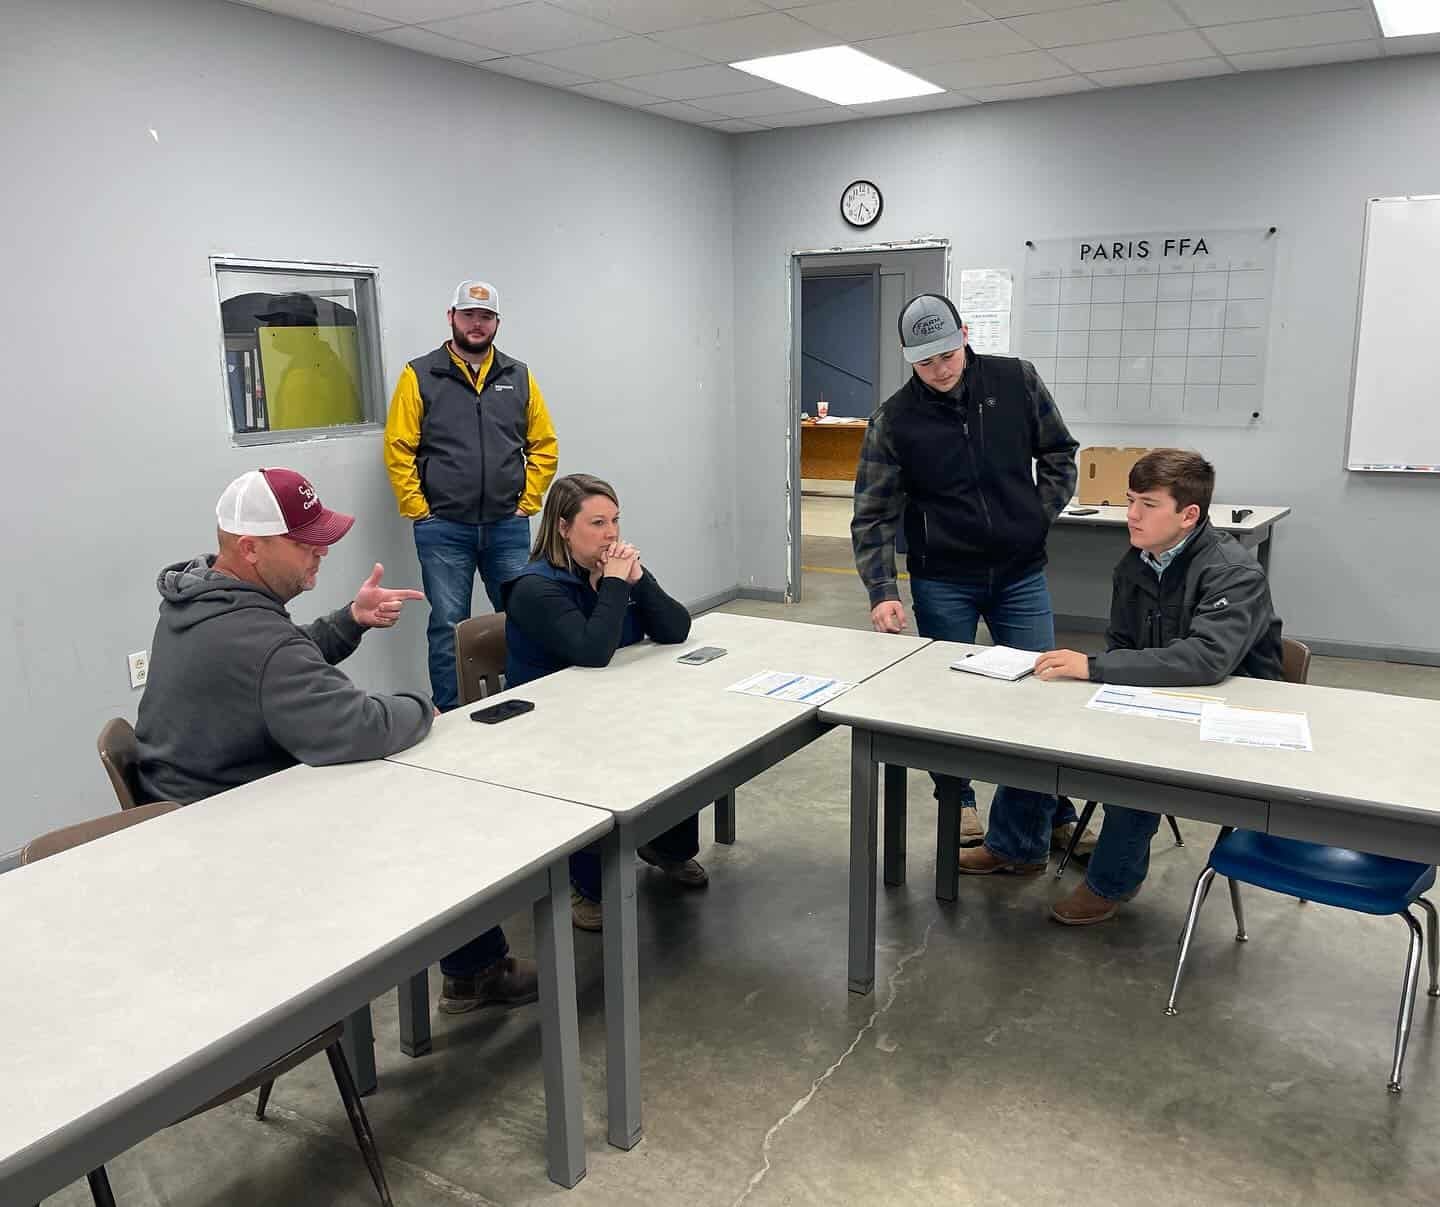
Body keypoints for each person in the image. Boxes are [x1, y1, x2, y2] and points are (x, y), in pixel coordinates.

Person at [134, 467, 537, 1012]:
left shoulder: (200, 603)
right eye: (305, 543)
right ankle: (477, 969)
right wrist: (426, 705)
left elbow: (280, 656)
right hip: (234, 848)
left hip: (195, 812)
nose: (320, 551)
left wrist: (350, 620)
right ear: (251, 548)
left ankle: (472, 968)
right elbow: (360, 725)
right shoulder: (253, 640)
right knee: (436, 814)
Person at [852, 293, 1084, 863]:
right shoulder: (893, 421)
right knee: (949, 701)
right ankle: (960, 801)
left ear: (965, 333)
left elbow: (1060, 452)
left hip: (1020, 574)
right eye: (926, 361)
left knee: (1039, 693)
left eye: (949, 353)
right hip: (943, 580)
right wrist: (883, 591)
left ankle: (1052, 811)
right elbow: (873, 512)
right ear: (909, 358)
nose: (941, 369)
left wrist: (1034, 515)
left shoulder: (1015, 381)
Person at [1034, 448, 1285, 925]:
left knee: (1137, 767)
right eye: (1130, 500)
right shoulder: (1137, 562)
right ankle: (1014, 846)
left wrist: (1096, 669)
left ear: (1189, 515)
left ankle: (1111, 884)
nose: (1130, 515)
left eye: (1147, 504)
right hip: (1159, 692)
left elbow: (1208, 659)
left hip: (1230, 712)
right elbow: (1123, 643)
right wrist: (1108, 677)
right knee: (1040, 730)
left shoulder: (1231, 571)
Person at [501, 473, 698, 931]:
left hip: (608, 704)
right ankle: (580, 881)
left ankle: (664, 846)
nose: (612, 534)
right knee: (600, 755)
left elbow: (676, 628)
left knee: (681, 736)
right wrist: (614, 584)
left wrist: (638, 580)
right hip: (550, 721)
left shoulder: (608, 573)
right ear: (564, 528)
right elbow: (592, 653)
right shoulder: (537, 588)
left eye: (615, 521)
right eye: (597, 523)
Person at [384, 279, 559, 711]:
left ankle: (530, 696)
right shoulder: (419, 374)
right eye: (468, 315)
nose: (476, 324)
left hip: (507, 525)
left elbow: (543, 443)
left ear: (496, 322)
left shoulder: (518, 376)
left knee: (523, 616)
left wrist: (527, 502)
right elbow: (398, 446)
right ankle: (450, 712)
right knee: (447, 626)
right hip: (443, 529)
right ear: (451, 318)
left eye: (485, 317)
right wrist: (418, 510)